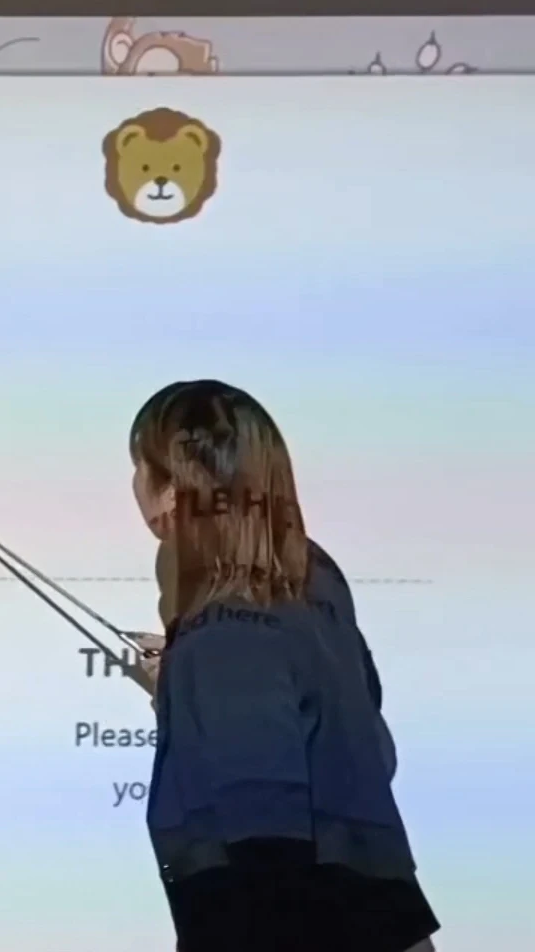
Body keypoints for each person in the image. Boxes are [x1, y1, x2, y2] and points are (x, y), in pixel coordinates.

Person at [124, 379, 440, 952]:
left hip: (282, 914)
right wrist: (180, 690)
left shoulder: (217, 621)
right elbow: (363, 741)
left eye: (139, 466)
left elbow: (262, 829)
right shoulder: (314, 575)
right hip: (386, 908)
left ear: (170, 491)